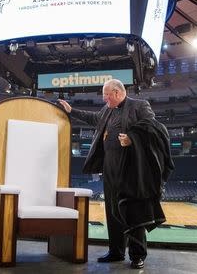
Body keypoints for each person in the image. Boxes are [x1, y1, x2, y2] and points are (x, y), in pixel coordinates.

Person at [58, 79, 173, 269]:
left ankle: (137, 255)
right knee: (112, 213)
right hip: (110, 170)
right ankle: (116, 251)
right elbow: (93, 118)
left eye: (107, 95)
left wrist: (132, 138)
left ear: (118, 92)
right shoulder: (107, 110)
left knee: (132, 212)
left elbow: (153, 128)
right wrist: (72, 111)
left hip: (131, 170)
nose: (105, 99)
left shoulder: (139, 106)